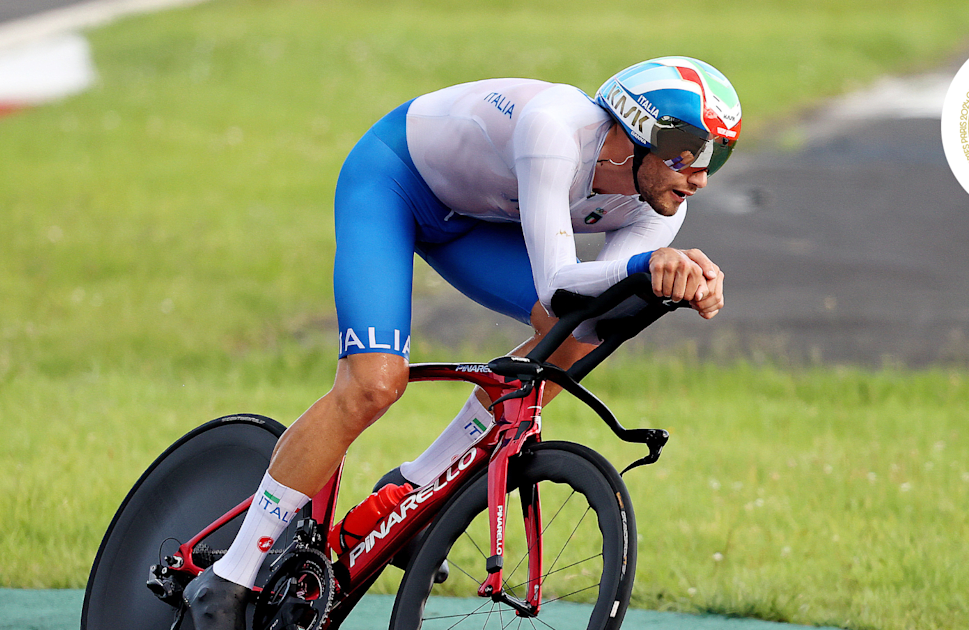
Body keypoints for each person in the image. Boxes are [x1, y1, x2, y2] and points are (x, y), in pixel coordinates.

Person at [182, 55, 742, 629]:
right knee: (374, 385)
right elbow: (556, 285)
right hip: (395, 182)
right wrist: (652, 265)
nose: (700, 174)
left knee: (577, 336)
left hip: (474, 221)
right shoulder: (557, 128)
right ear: (635, 130)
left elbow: (588, 306)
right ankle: (227, 577)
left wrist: (674, 283)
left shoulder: (663, 199)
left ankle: (411, 489)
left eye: (716, 157)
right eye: (689, 152)